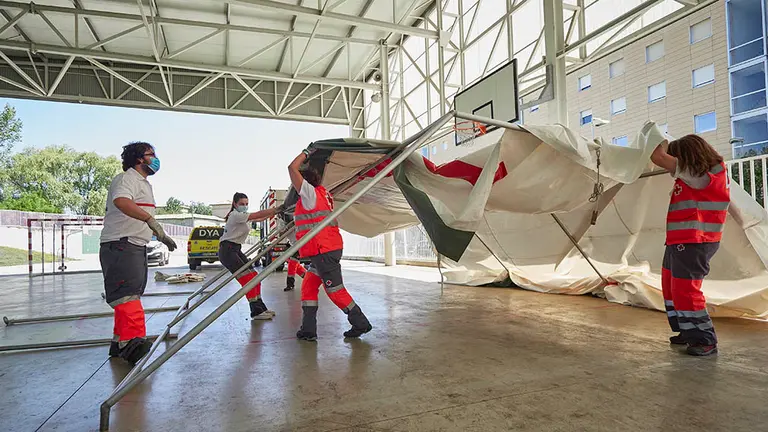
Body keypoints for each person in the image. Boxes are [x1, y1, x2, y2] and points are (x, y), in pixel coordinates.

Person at [650, 134, 730, 356]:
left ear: (688, 156)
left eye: (676, 158)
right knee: (672, 287)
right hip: (680, 241)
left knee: (685, 290)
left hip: (694, 241)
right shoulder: (694, 177)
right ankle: (688, 330)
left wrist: (651, 134)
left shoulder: (701, 175)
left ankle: (704, 339)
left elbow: (658, 156)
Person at [101, 142, 177, 364]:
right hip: (121, 245)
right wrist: (150, 220)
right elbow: (122, 202)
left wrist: (158, 233)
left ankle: (119, 342)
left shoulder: (143, 183)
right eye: (151, 154)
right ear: (138, 159)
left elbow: (135, 212)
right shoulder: (127, 179)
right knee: (127, 297)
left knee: (129, 295)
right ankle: (132, 343)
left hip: (133, 245)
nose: (155, 158)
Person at [289, 147, 372, 341]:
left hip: (324, 251)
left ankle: (360, 323)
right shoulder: (322, 194)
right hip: (322, 251)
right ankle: (308, 330)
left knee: (335, 291)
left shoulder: (309, 194)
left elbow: (291, 168)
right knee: (309, 286)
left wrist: (306, 152)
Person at [219, 192, 283, 319]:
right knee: (248, 279)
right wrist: (277, 209)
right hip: (227, 251)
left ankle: (260, 307)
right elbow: (257, 214)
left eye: (246, 204)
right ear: (234, 204)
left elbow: (260, 218)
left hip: (235, 249)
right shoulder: (235, 215)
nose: (244, 206)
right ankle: (256, 311)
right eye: (241, 204)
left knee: (254, 277)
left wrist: (276, 213)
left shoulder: (243, 216)